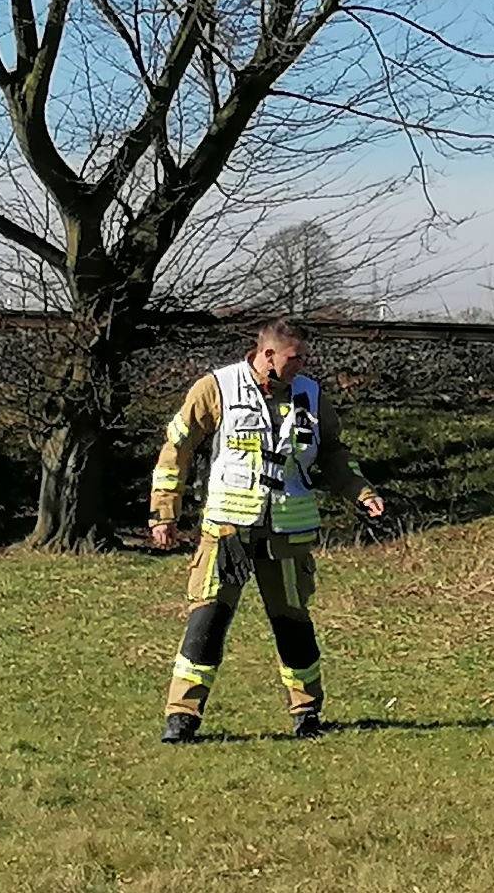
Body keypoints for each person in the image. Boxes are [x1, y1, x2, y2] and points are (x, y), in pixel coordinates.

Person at [148, 318, 385, 743]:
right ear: (268, 354)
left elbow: (333, 454)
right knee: (209, 620)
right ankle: (181, 716)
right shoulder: (215, 389)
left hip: (288, 536)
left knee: (293, 623)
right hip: (228, 532)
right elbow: (176, 449)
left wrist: (361, 492)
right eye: (295, 358)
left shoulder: (312, 396)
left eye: (304, 358)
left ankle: (307, 711)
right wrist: (164, 513)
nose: (302, 366)